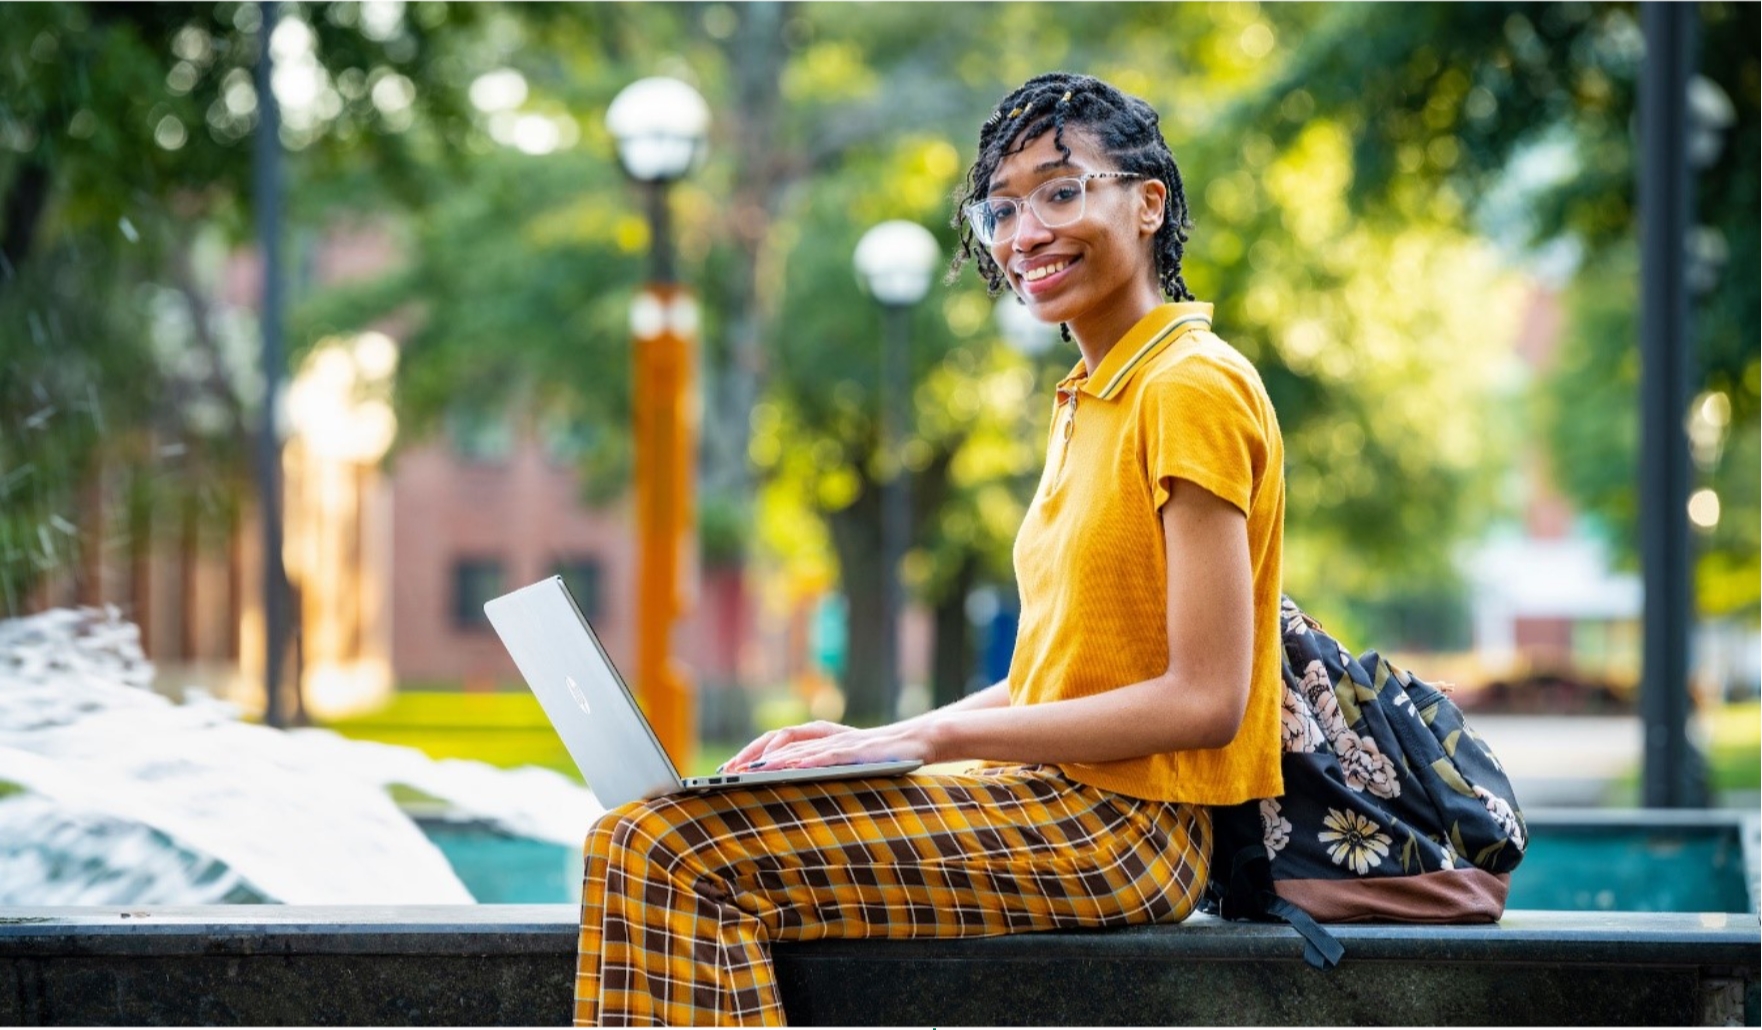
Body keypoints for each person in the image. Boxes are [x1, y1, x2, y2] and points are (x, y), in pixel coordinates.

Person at [573, 71, 1287, 1027]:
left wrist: (931, 739)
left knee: (665, 846)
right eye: (1001, 208)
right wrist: (873, 743)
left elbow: (1205, 700)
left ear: (1149, 203)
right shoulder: (1095, 395)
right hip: (1049, 801)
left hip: (1121, 830)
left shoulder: (1189, 385)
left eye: (1061, 191)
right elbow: (1059, 674)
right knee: (643, 836)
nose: (1024, 233)